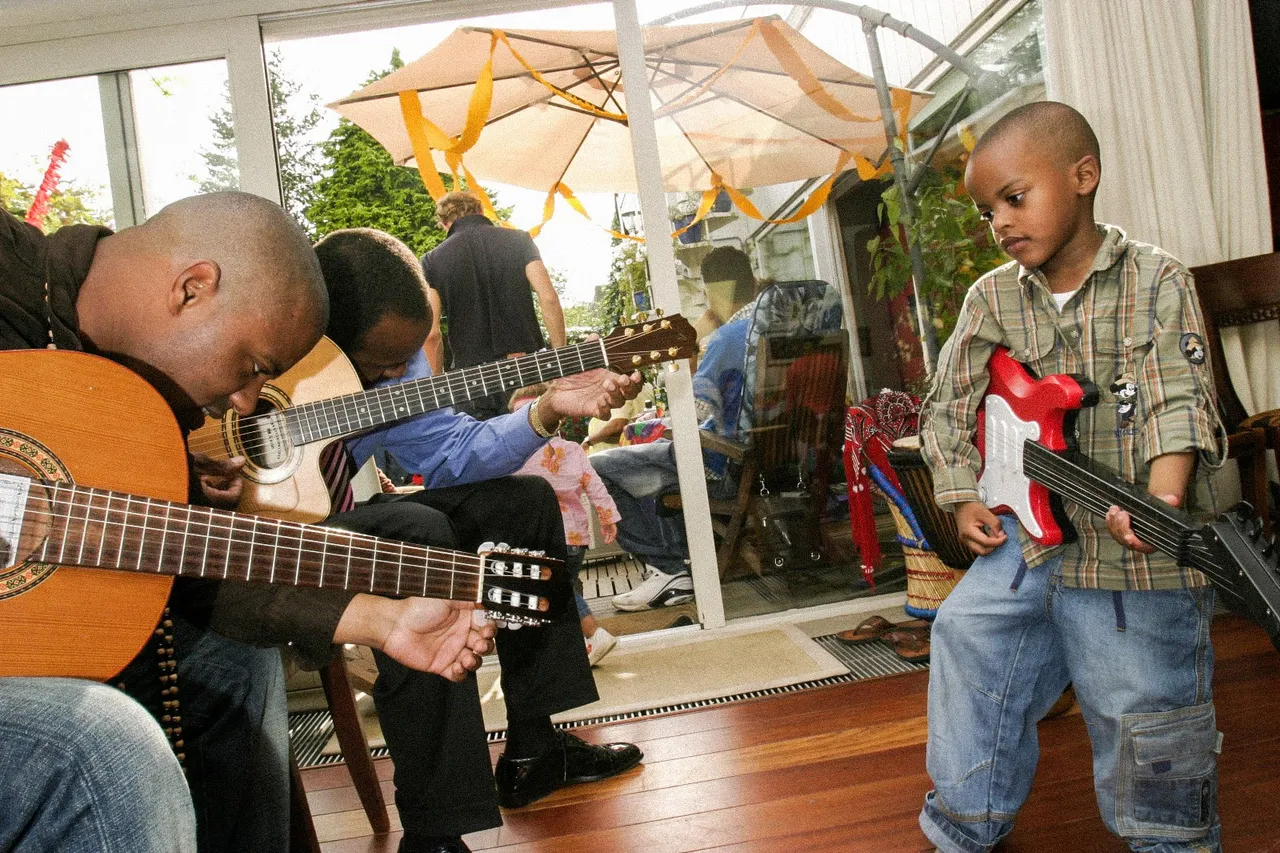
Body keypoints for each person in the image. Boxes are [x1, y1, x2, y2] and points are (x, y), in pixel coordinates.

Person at [0, 193, 492, 853]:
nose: (244, 401)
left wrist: (381, 619)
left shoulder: (148, 403)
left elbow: (194, 567)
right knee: (100, 750)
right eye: (254, 367)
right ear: (192, 289)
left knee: (233, 659)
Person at [219, 227, 641, 853]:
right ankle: (436, 833)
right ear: (317, 330)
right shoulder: (252, 340)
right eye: (383, 364)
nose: (398, 374)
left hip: (336, 522)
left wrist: (544, 412)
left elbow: (448, 454)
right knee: (419, 533)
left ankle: (534, 748)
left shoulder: (401, 354)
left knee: (523, 501)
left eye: (407, 359)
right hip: (253, 540)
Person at [918, 101, 1227, 853]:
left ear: (1082, 176)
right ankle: (964, 819)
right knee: (964, 632)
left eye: (1014, 198)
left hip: (1130, 556)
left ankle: (1171, 840)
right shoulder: (990, 297)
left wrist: (1161, 500)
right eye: (988, 210)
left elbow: (1175, 401)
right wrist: (960, 493)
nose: (999, 222)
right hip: (1026, 538)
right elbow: (944, 406)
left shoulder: (1157, 280)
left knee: (1138, 695)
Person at [592, 246, 760, 611]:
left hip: (728, 467)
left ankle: (668, 569)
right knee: (652, 464)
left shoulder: (727, 340)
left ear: (713, 289)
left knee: (598, 469)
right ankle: (678, 562)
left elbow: (694, 415)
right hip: (785, 465)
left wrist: (690, 357)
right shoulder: (784, 323)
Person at [421, 190, 565, 419]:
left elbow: (431, 334)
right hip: (525, 370)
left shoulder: (432, 260)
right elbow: (548, 298)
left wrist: (437, 388)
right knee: (543, 452)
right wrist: (560, 361)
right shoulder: (519, 240)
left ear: (444, 223)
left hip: (471, 382)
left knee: (485, 452)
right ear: (480, 210)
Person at [511, 383, 623, 665]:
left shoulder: (515, 454)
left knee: (560, 590)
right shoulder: (572, 450)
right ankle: (575, 647)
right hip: (576, 538)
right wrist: (608, 518)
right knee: (563, 588)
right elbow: (595, 487)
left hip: (544, 535)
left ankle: (593, 634)